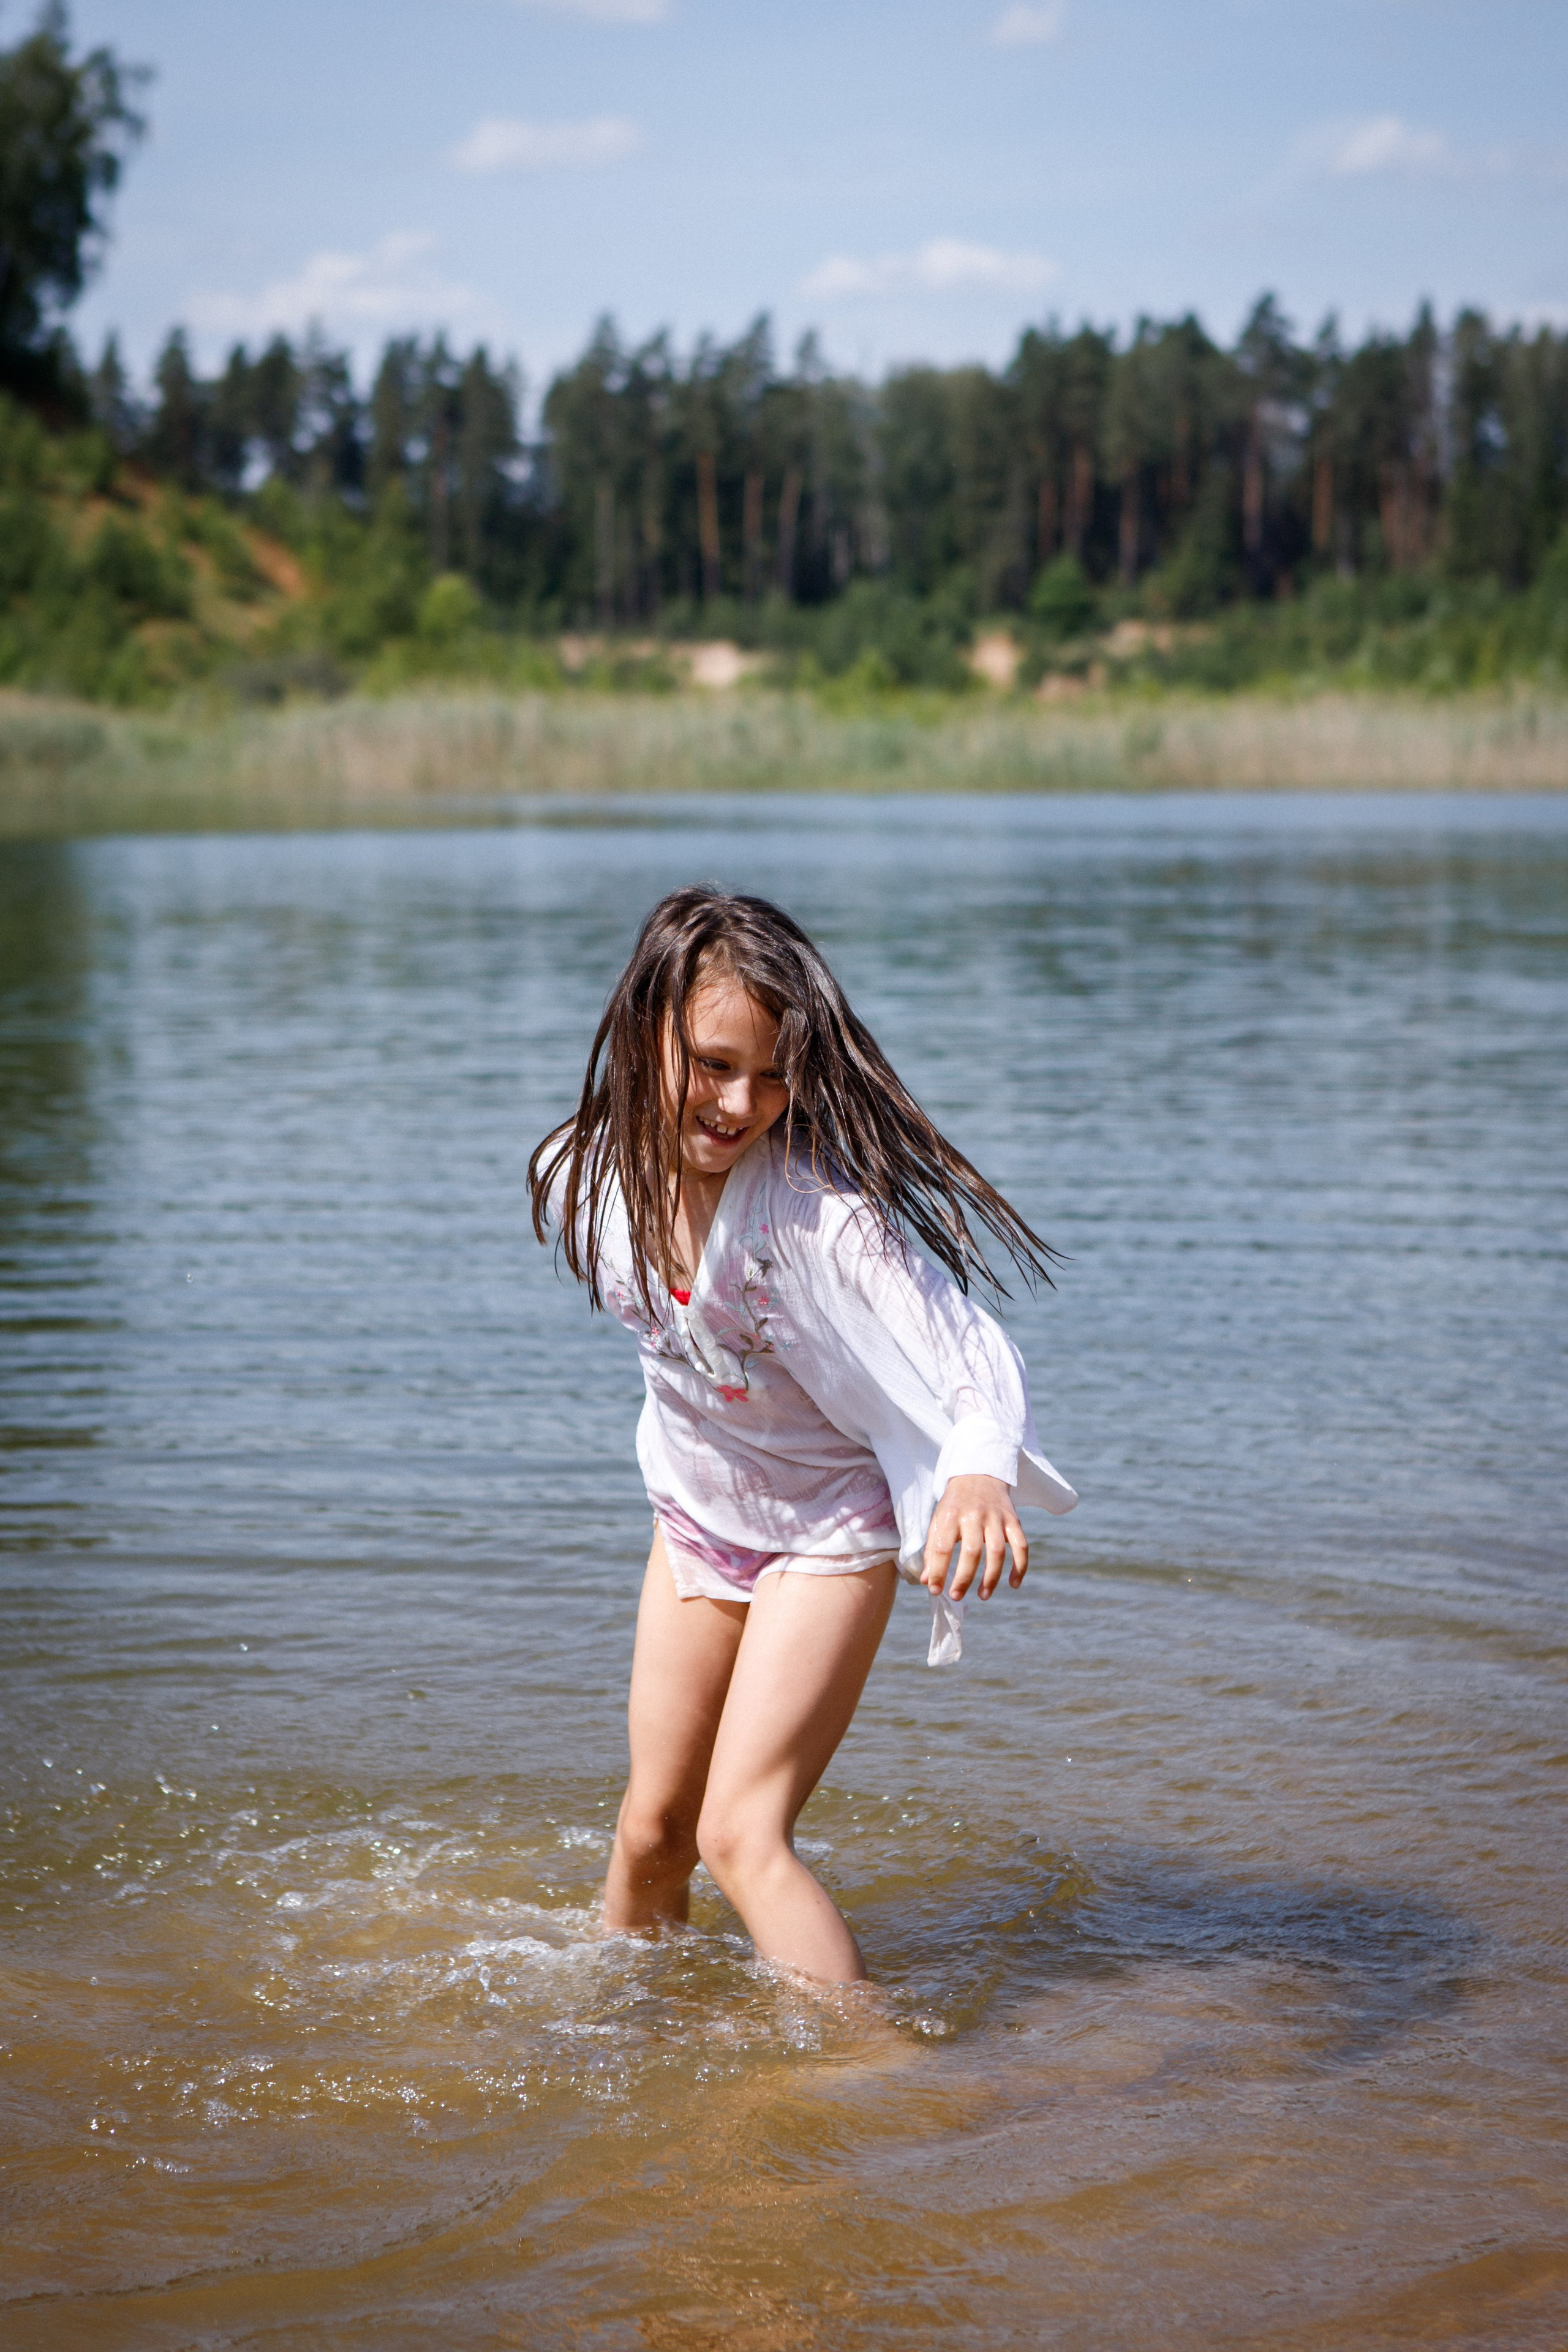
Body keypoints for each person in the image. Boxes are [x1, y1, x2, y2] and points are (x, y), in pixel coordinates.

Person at [529, 886, 1076, 1986]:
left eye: (774, 1074)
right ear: (648, 1033)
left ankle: (876, 2072)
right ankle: (628, 2029)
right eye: (715, 1062)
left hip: (828, 1534)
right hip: (695, 1522)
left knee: (740, 1833)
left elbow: (963, 1351)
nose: (743, 1102)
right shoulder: (581, 1178)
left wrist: (975, 1475)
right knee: (650, 1829)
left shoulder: (813, 1220)